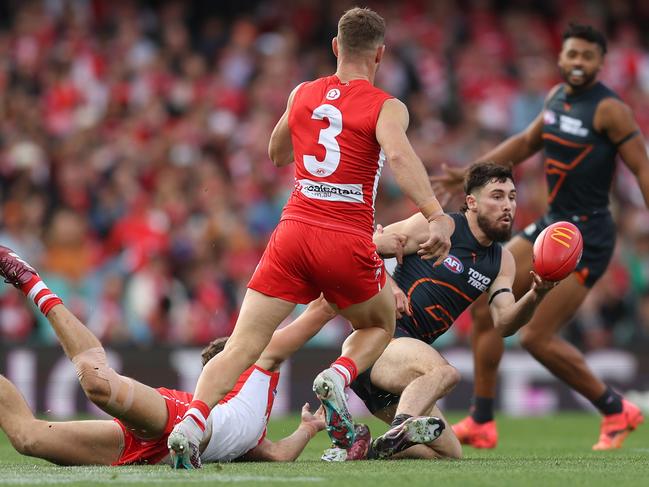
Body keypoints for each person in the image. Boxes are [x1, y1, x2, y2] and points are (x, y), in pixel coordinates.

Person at [167, 7, 455, 468]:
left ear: (336, 47)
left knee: (242, 345)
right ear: (380, 54)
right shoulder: (386, 105)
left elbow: (277, 153)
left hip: (293, 234)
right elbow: (399, 156)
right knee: (378, 325)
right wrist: (436, 215)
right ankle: (339, 378)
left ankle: (192, 423)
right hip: (346, 236)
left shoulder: (302, 92)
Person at [434, 23, 647, 450]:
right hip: (553, 223)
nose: (579, 63)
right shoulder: (555, 98)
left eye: (587, 56)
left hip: (587, 234)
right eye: (572, 55)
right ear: (561, 58)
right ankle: (481, 420)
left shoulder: (610, 110)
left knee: (534, 336)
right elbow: (524, 143)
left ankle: (615, 409)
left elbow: (641, 167)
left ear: (600, 63)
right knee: (484, 301)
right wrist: (470, 173)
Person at [0, 245, 333, 467]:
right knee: (98, 384)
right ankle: (31, 282)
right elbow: (320, 310)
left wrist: (309, 428)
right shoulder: (261, 355)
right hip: (178, 420)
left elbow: (278, 455)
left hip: (152, 450)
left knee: (29, 438)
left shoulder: (254, 433)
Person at [321, 162, 557, 461]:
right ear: (471, 202)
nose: (508, 205)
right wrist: (389, 284)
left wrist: (538, 293)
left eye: (512, 197)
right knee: (445, 372)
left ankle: (360, 447)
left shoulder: (502, 261)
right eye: (497, 196)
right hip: (382, 341)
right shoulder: (437, 226)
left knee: (448, 454)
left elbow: (505, 322)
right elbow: (361, 250)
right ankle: (400, 428)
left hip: (406, 372)